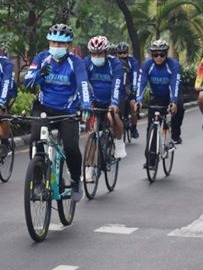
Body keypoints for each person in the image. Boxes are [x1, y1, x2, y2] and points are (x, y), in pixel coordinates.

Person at [23, 23, 91, 202]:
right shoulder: (41, 58)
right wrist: (40, 74)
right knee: (36, 139)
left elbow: (83, 84)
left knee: (70, 147)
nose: (56, 47)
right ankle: (37, 180)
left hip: (67, 110)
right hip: (44, 108)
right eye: (53, 43)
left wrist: (86, 106)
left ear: (68, 45)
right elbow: (27, 81)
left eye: (60, 44)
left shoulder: (76, 63)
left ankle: (76, 180)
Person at [82, 36, 125, 181]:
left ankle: (118, 143)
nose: (96, 57)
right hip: (94, 101)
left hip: (111, 100)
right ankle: (88, 168)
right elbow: (83, 83)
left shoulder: (115, 64)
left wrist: (114, 103)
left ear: (106, 53)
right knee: (90, 133)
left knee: (113, 118)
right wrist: (86, 103)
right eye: (93, 54)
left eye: (99, 54)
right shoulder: (86, 63)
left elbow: (117, 84)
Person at [136, 40, 182, 164]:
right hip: (155, 96)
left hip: (170, 95)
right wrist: (139, 100)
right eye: (155, 55)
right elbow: (142, 83)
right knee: (151, 126)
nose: (159, 57)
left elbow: (174, 83)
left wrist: (174, 101)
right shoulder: (147, 65)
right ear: (152, 55)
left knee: (179, 106)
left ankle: (175, 134)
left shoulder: (173, 65)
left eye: (162, 54)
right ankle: (150, 159)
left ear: (166, 54)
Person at [115, 42, 140, 138]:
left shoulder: (132, 61)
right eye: (120, 53)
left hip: (129, 86)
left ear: (127, 52)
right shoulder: (114, 62)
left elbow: (135, 74)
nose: (122, 55)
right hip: (119, 86)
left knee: (133, 105)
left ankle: (134, 128)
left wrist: (134, 89)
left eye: (124, 53)